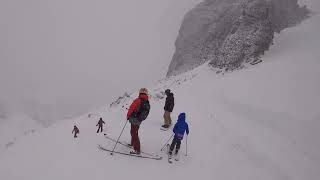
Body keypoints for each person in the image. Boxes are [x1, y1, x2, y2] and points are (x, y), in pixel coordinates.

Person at [126, 88, 150, 155]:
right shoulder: (146, 101)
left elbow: (131, 108)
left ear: (140, 93)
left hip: (134, 119)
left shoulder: (138, 100)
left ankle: (137, 149)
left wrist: (128, 116)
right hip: (139, 120)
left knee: (134, 133)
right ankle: (133, 143)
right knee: (134, 131)